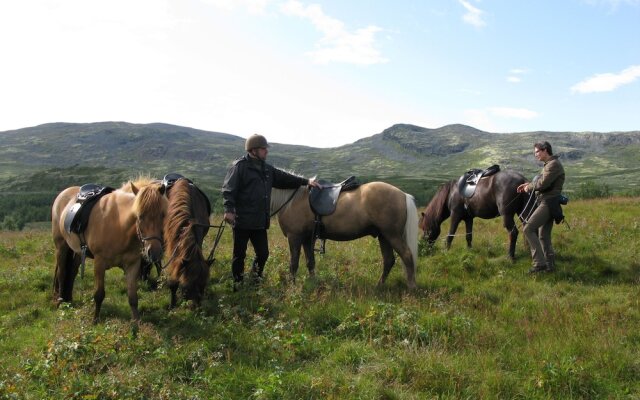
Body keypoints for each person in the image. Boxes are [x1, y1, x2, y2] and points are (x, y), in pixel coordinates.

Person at [222, 134, 320, 287]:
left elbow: (285, 178)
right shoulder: (239, 167)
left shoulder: (267, 169)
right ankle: (238, 284)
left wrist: (306, 181)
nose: (266, 151)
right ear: (253, 150)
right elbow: (229, 189)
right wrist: (229, 209)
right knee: (239, 255)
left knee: (263, 254)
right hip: (242, 220)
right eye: (263, 149)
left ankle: (255, 279)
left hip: (260, 221)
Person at [517, 141, 565, 273]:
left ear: (545, 150)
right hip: (549, 203)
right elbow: (543, 180)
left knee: (528, 229)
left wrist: (528, 187)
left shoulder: (553, 164)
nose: (536, 155)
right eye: (535, 153)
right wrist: (528, 183)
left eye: (537, 152)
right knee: (543, 236)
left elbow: (542, 184)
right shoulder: (549, 165)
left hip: (548, 203)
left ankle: (539, 264)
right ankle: (550, 266)